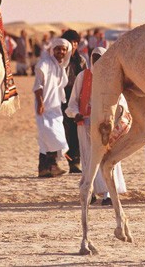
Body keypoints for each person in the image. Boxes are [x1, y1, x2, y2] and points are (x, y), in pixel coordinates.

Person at [65, 47, 127, 205]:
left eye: (101, 58)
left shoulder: (112, 77)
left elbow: (121, 102)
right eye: (95, 58)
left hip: (105, 125)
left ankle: (107, 194)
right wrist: (75, 113)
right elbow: (72, 102)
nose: (98, 61)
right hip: (85, 124)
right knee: (88, 158)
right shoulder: (82, 76)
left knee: (106, 157)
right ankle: (90, 191)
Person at [33, 37, 72, 177]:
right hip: (44, 106)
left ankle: (45, 169)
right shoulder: (44, 64)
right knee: (51, 135)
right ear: (52, 50)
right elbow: (38, 86)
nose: (60, 52)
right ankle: (52, 165)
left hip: (55, 107)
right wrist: (40, 102)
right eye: (57, 49)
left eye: (63, 49)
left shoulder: (60, 67)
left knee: (47, 138)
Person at [61, 29, 88, 173]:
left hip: (76, 96)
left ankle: (75, 162)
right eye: (72, 42)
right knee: (62, 129)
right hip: (60, 96)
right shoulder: (58, 59)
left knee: (75, 129)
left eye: (76, 43)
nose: (74, 45)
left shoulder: (81, 61)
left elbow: (86, 80)